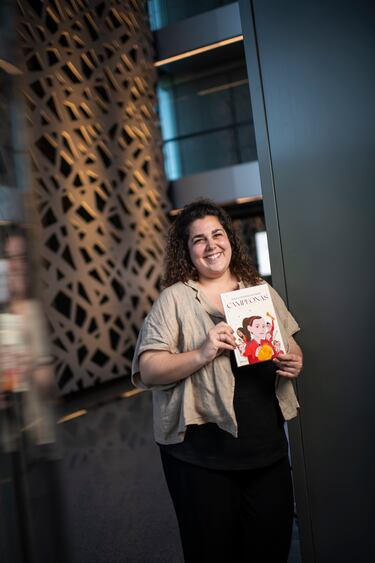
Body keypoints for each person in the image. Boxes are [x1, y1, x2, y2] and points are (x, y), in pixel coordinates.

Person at [132, 199, 303, 563]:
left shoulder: (258, 290)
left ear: (230, 240)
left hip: (267, 452)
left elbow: (291, 344)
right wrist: (202, 352)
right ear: (187, 251)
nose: (211, 245)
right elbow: (148, 370)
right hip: (201, 458)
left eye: (217, 234)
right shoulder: (174, 300)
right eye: (198, 240)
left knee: (271, 550)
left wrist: (294, 360)